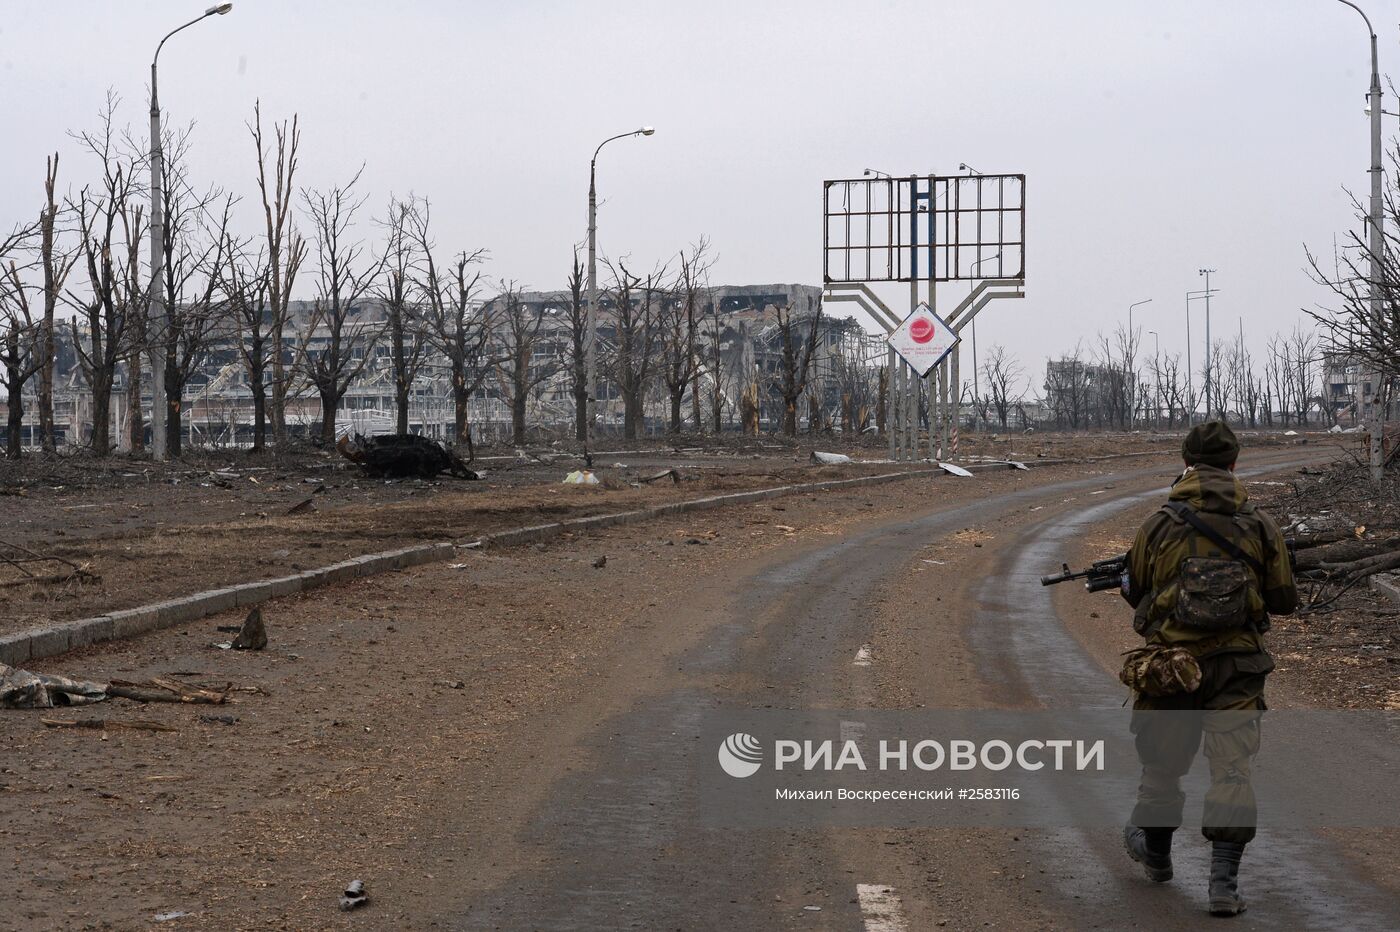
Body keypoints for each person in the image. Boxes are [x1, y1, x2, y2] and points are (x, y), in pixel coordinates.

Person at [1118, 420, 1297, 917]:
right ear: (1235, 463)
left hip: (1171, 666)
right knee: (1233, 770)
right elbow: (1283, 600)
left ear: (1186, 464)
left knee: (1161, 763)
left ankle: (1157, 859)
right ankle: (1223, 887)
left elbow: (1134, 590)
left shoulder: (1159, 522)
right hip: (1238, 666)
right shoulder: (1258, 522)